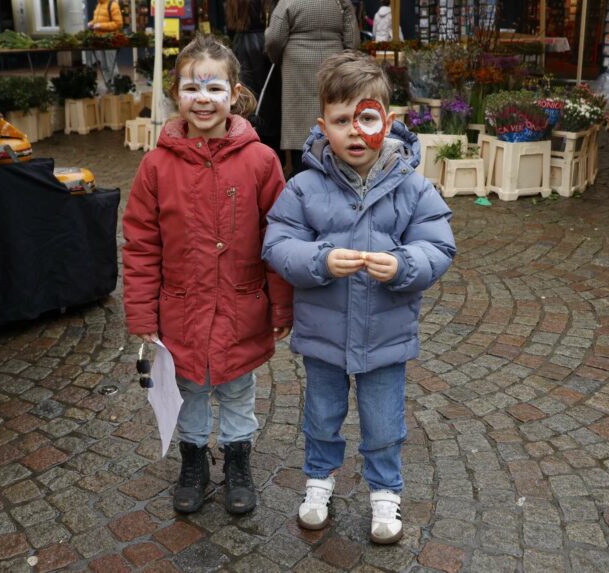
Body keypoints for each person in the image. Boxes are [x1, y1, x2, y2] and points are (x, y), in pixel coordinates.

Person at [262, 51, 455, 544]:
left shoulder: (412, 187)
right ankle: (318, 481)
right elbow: (278, 244)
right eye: (342, 120)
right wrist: (321, 260)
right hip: (323, 334)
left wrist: (405, 265)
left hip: (385, 335)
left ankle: (385, 492)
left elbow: (438, 245)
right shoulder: (304, 187)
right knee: (321, 415)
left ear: (386, 122)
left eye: (365, 118)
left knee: (384, 420)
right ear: (322, 126)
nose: (354, 131)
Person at [122, 34, 294, 516]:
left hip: (241, 305)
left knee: (238, 389)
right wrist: (142, 311)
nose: (203, 99)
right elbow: (140, 244)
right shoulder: (156, 166)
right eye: (193, 88)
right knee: (191, 390)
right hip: (182, 310)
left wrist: (282, 304)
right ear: (176, 92)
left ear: (235, 95)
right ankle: (193, 461)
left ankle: (238, 462)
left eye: (214, 89)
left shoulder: (261, 161)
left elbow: (278, 239)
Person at [265, 0, 359, 177]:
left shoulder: (288, 2)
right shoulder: (341, 2)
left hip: (297, 65)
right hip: (334, 62)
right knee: (332, 113)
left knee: (298, 123)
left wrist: (277, 59)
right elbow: (352, 41)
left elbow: (274, 39)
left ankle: (301, 168)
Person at [225, 0, 281, 157]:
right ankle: (267, 145)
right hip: (262, 47)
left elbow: (227, 24)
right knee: (268, 102)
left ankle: (245, 137)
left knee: (243, 96)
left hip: (239, 44)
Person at [87, 0, 123, 86]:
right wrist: (91, 23)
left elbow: (118, 23)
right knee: (103, 65)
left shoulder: (113, 5)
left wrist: (101, 26)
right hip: (99, 40)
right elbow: (97, 20)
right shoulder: (99, 5)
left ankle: (117, 85)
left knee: (111, 64)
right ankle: (108, 83)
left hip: (110, 41)